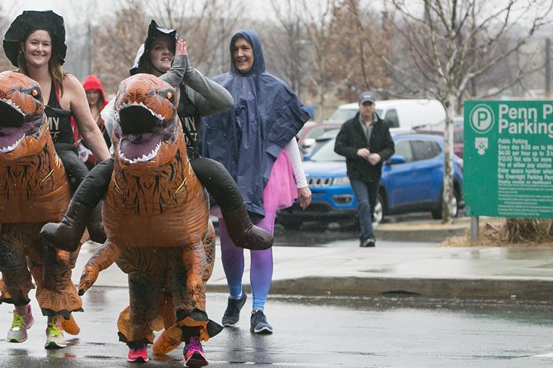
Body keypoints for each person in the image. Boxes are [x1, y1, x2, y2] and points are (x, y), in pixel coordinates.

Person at [0, 10, 110, 345]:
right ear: (23, 47)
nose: (39, 48)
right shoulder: (8, 81)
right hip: (14, 157)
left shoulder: (67, 83)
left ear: (53, 48)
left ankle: (94, 224)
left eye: (45, 43)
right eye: (34, 43)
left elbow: (87, 128)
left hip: (59, 152)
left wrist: (110, 164)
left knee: (81, 172)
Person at [42, 20, 272, 254]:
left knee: (218, 173)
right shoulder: (133, 84)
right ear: (147, 55)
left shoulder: (189, 89)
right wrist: (174, 74)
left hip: (186, 161)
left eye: (171, 49)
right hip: (137, 159)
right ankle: (71, 227)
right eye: (159, 48)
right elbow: (119, 111)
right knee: (97, 175)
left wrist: (188, 73)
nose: (166, 52)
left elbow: (226, 100)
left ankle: (242, 229)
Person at [202, 30, 312, 335]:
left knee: (261, 242)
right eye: (235, 48)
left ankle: (259, 309)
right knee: (232, 246)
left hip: (265, 176)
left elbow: (286, 137)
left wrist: (301, 182)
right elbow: (205, 133)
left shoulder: (275, 90)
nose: (240, 54)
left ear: (256, 51)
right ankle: (236, 295)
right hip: (230, 177)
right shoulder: (218, 87)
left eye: (245, 48)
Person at [334, 91, 395, 248]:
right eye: (364, 104)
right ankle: (369, 237)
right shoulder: (349, 126)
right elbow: (339, 147)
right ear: (359, 106)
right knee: (364, 203)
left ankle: (363, 237)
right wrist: (356, 152)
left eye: (370, 104)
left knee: (371, 204)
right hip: (356, 173)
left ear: (374, 106)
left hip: (374, 173)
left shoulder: (382, 126)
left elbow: (390, 148)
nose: (367, 108)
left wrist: (380, 156)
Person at [79, 74, 110, 167]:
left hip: (103, 151)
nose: (92, 96)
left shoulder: (108, 109)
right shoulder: (78, 109)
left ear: (99, 93)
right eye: (88, 92)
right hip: (82, 154)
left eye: (95, 92)